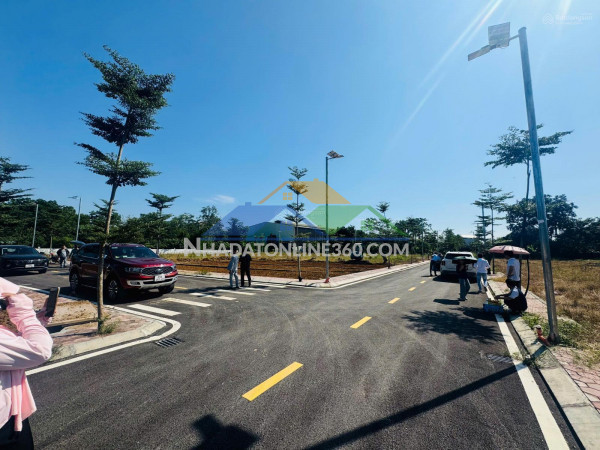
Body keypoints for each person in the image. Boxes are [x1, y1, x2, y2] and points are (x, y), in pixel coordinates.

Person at [0, 277, 53, 448]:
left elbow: (15, 348)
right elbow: (40, 350)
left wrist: (38, 322)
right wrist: (26, 317)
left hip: (10, 414)